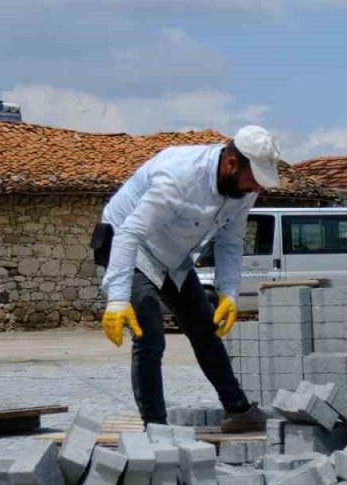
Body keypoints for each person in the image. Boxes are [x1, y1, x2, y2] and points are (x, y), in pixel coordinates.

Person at [96, 125, 281, 431]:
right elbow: (130, 234)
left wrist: (229, 293)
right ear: (231, 164)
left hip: (172, 254)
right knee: (149, 334)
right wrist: (117, 299)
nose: (255, 189)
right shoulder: (178, 177)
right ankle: (156, 428)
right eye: (253, 180)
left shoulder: (243, 190)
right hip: (129, 247)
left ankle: (239, 411)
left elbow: (230, 241)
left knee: (204, 326)